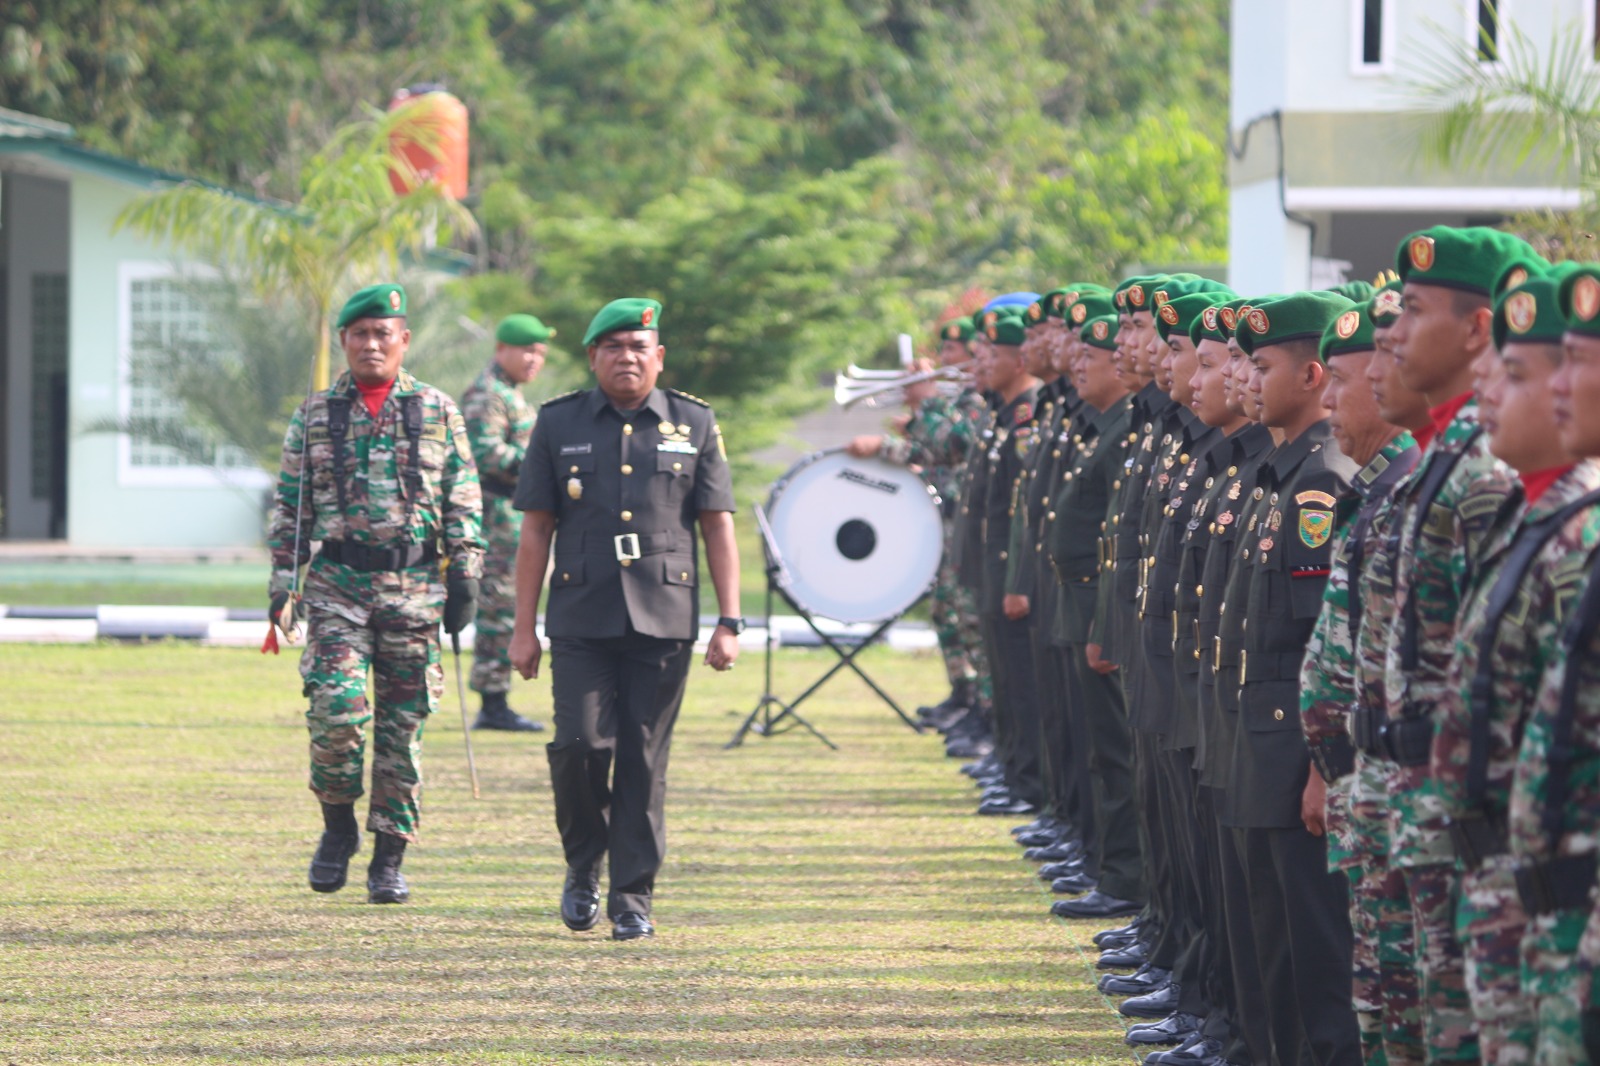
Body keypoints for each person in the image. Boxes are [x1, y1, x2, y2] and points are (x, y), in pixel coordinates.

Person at [507, 297, 742, 941]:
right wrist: (522, 628)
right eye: (613, 347)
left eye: (639, 346)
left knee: (642, 757)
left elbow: (717, 525)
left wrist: (731, 620)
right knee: (579, 744)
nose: (627, 357)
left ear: (658, 356)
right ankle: (583, 865)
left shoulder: (693, 422)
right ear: (593, 358)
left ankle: (632, 896)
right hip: (581, 614)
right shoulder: (559, 423)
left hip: (665, 617)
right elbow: (536, 533)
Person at [269, 282, 484, 905]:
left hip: (416, 589)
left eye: (382, 334)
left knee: (402, 732)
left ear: (403, 340)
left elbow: (462, 496)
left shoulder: (438, 410)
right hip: (338, 587)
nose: (371, 344)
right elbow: (291, 507)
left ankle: (389, 859)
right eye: (359, 334)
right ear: (343, 342)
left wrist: (466, 572)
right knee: (336, 713)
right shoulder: (314, 415)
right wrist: (283, 582)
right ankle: (337, 830)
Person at [460, 313, 553, 732]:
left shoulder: (510, 393)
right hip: (495, 519)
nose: (534, 360)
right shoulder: (488, 393)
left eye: (540, 353)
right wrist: (543, 463)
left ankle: (498, 699)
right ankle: (493, 704)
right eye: (527, 351)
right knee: (498, 607)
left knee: (508, 604)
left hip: (513, 518)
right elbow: (485, 454)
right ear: (502, 350)